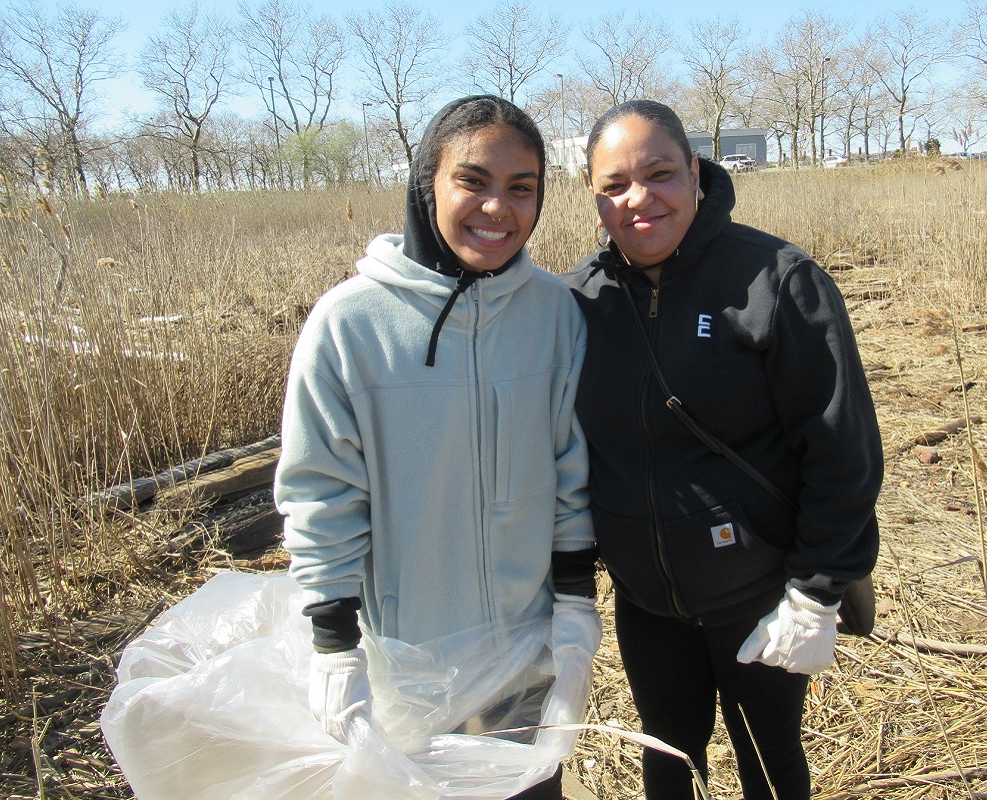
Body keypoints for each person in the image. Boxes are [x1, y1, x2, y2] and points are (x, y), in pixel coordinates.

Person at [274, 95, 600, 800]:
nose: (498, 208)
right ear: (428, 184)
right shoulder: (349, 324)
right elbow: (321, 493)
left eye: (522, 188)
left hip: (526, 650)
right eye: (473, 181)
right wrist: (334, 645)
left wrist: (575, 606)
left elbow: (572, 469)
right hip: (405, 668)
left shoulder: (555, 314)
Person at [561, 100, 882, 800]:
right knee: (668, 761)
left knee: (770, 763)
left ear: (697, 176)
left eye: (660, 174)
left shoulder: (776, 281)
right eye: (614, 185)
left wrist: (816, 595)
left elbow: (843, 452)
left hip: (761, 600)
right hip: (647, 607)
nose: (638, 199)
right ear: (594, 201)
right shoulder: (579, 304)